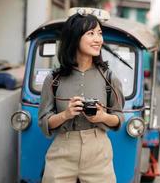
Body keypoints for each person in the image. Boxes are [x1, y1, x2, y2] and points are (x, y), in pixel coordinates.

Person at [38, 11, 125, 183]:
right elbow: (43, 122)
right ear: (75, 37)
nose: (98, 39)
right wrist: (66, 114)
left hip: (98, 151)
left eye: (100, 33)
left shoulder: (109, 78)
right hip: (63, 150)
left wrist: (102, 116)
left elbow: (119, 118)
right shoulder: (54, 79)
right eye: (91, 33)